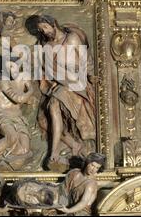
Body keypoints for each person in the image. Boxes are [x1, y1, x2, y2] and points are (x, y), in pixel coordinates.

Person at [26, 15, 96, 171]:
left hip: (77, 83)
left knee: (53, 105)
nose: (43, 32)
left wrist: (90, 75)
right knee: (45, 118)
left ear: (53, 24)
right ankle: (73, 146)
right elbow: (44, 68)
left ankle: (53, 153)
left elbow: (86, 61)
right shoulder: (46, 46)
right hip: (59, 85)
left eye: (45, 27)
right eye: (40, 30)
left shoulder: (71, 38)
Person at [0, 58, 34, 170]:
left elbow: (29, 101)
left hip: (17, 117)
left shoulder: (23, 79)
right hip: (0, 115)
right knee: (11, 136)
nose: (9, 69)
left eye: (12, 66)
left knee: (24, 149)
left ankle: (3, 164)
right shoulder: (3, 80)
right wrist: (30, 90)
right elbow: (18, 98)